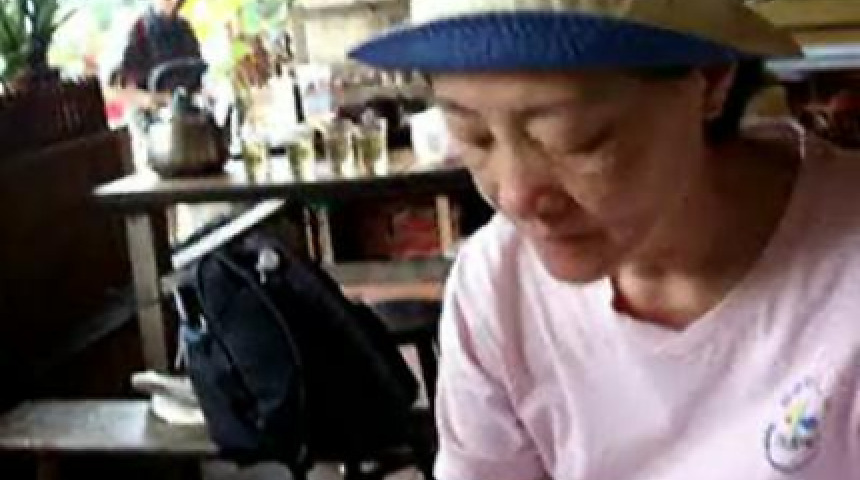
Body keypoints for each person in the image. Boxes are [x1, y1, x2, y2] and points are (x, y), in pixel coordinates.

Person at [349, 1, 860, 478]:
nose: (515, 196)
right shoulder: (498, 285)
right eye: (474, 137)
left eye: (574, 139)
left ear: (709, 79)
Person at [105, 0, 203, 110]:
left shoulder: (184, 28)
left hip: (186, 107)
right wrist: (146, 99)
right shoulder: (136, 28)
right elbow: (110, 89)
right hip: (150, 113)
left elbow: (198, 73)